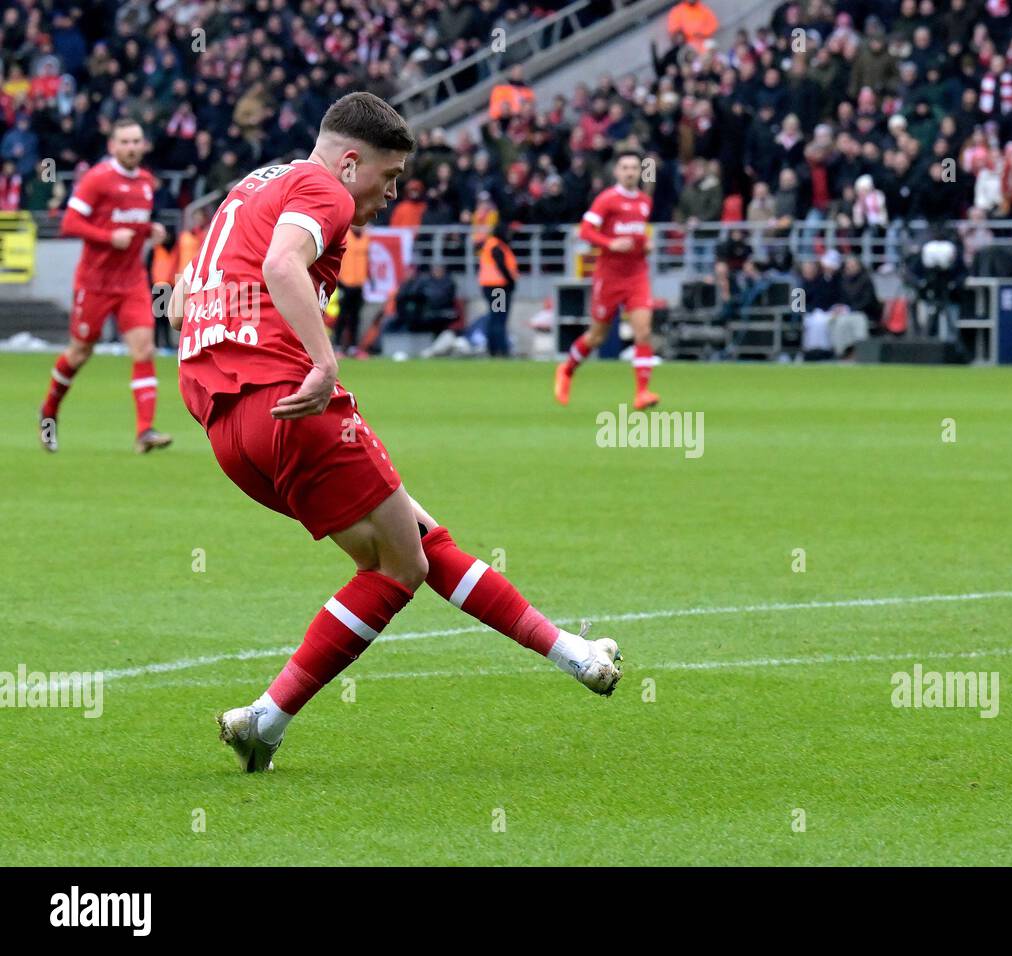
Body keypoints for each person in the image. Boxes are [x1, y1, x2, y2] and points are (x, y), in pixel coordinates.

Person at [168, 93, 624, 773]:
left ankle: (575, 654)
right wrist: (324, 360)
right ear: (352, 161)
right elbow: (281, 266)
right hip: (290, 401)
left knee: (413, 541)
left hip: (227, 428)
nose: (391, 193)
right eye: (390, 177)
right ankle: (265, 718)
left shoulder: (251, 187)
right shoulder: (325, 189)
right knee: (399, 566)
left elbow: (180, 297)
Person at [39, 118, 172, 453]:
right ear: (112, 146)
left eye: (136, 141)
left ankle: (145, 431)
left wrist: (150, 231)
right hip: (94, 283)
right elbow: (69, 222)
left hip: (131, 283)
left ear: (144, 145)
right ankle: (49, 411)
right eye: (124, 142)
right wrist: (107, 237)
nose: (131, 147)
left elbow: (131, 224)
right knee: (80, 352)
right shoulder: (97, 179)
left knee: (144, 349)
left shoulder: (145, 182)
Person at [556, 150, 659, 410]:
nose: (630, 172)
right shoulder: (607, 200)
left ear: (639, 171)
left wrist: (646, 245)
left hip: (637, 275)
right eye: (624, 167)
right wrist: (610, 243)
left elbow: (637, 234)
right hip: (609, 277)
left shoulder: (645, 202)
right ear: (616, 172)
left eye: (634, 167)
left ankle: (642, 393)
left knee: (643, 331)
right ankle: (567, 370)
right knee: (596, 337)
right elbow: (585, 231)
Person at [478, 221, 517, 356]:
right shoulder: (496, 246)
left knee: (496, 317)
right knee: (498, 319)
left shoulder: (492, 244)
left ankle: (494, 349)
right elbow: (502, 266)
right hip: (497, 288)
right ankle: (501, 350)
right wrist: (511, 281)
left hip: (493, 286)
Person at [334, 224, 369, 354]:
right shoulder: (344, 235)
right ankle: (337, 345)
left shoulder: (366, 237)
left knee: (355, 317)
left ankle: (353, 347)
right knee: (342, 316)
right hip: (344, 282)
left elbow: (367, 260)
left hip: (359, 283)